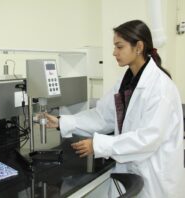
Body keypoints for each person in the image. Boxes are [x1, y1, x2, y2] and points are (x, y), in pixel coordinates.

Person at [45, 20, 185, 198]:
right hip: (133, 165)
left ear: (138, 47)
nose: (114, 52)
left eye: (119, 47)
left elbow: (148, 139)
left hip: (155, 174)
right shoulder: (126, 81)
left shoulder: (160, 87)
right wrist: (61, 121)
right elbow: (103, 116)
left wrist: (98, 145)